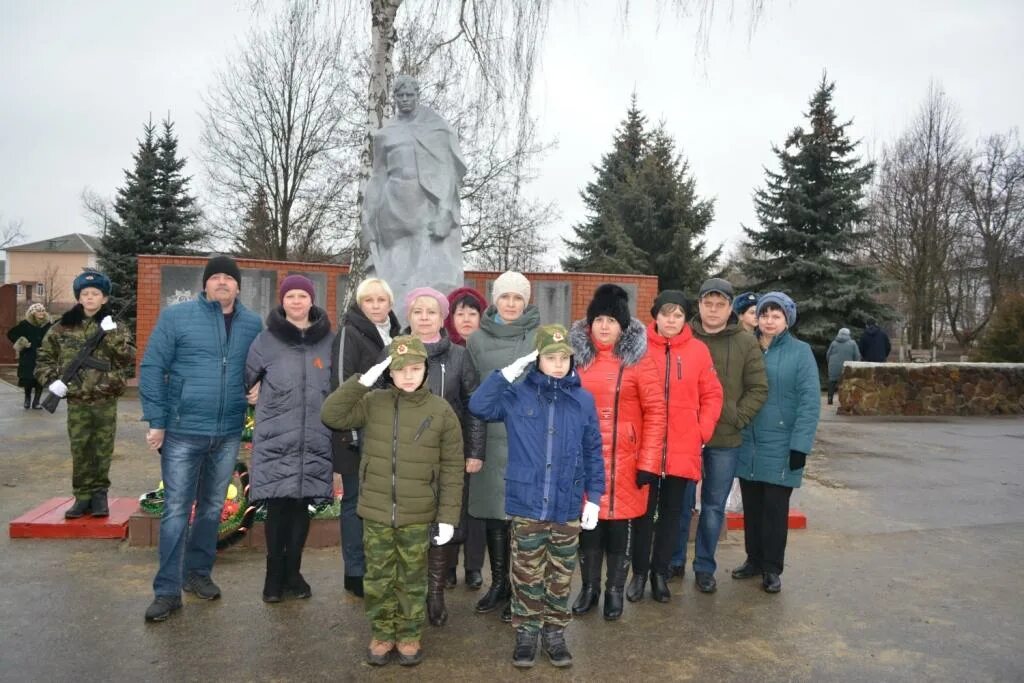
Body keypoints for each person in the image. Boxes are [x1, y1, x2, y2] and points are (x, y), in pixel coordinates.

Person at [321, 336, 464, 667]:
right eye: (400, 370)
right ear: (388, 372)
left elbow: (453, 469)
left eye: (416, 368)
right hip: (377, 510)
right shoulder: (373, 402)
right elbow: (332, 414)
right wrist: (363, 381)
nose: (409, 376)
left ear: (426, 371)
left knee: (412, 578)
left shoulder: (440, 410)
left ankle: (410, 633)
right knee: (379, 577)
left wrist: (447, 517)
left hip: (418, 512)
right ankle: (383, 633)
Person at [469, 325, 604, 668]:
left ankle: (554, 633)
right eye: (550, 357)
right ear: (536, 359)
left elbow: (593, 451)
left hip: (566, 503)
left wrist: (595, 497)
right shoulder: (517, 394)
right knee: (527, 574)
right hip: (528, 502)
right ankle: (527, 633)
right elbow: (479, 405)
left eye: (564, 358)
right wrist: (506, 374)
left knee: (560, 574)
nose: (558, 364)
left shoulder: (582, 399)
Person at [139, 255, 262, 623]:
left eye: (229, 278)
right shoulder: (177, 318)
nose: (222, 282)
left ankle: (198, 574)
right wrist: (157, 422)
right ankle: (166, 591)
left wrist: (258, 388)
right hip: (182, 431)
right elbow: (152, 367)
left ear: (238, 286)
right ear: (205, 284)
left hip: (226, 433)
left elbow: (261, 367)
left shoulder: (252, 324)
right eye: (216, 277)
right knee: (176, 510)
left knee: (211, 508)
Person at [569, 284, 666, 619]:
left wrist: (649, 462)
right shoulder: (575, 360)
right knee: (589, 527)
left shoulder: (639, 360)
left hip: (626, 458)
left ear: (623, 325)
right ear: (590, 323)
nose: (605, 326)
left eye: (612, 319)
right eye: (599, 319)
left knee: (620, 526)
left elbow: (656, 412)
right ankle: (590, 588)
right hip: (586, 458)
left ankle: (614, 591)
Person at [673, 278, 768, 594]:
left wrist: (738, 418)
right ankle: (674, 561)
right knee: (680, 502)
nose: (713, 310)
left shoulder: (745, 342)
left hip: (725, 439)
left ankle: (704, 567)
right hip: (684, 437)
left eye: (720, 304)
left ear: (730, 308)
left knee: (713, 506)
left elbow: (757, 387)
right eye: (707, 303)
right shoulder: (681, 336)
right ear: (699, 304)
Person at [245, 275, 334, 603]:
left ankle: (293, 573)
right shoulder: (265, 341)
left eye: (302, 295)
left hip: (315, 436)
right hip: (277, 436)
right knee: (279, 506)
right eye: (290, 296)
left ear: (312, 300)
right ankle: (273, 576)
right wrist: (251, 393)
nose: (296, 301)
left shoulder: (329, 341)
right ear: (282, 301)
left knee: (302, 506)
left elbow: (339, 385)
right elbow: (247, 378)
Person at [630, 290, 723, 602]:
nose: (671, 320)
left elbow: (712, 394)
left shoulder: (698, 351)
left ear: (685, 318)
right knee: (642, 514)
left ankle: (660, 573)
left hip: (683, 448)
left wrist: (702, 431)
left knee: (673, 514)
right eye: (665, 313)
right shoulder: (638, 349)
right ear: (655, 315)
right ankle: (639, 573)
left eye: (678, 314)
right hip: (645, 448)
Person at [402, 286, 485, 626]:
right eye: (418, 311)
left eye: (431, 312)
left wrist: (475, 450)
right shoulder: (396, 351)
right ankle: (411, 592)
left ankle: (435, 593)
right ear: (410, 316)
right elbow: (376, 400)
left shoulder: (459, 357)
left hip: (448, 454)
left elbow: (474, 406)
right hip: (406, 454)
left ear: (442, 317)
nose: (425, 317)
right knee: (410, 523)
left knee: (443, 521)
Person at [466, 271, 541, 622]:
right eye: (505, 297)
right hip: (491, 436)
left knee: (521, 519)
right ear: (495, 300)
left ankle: (520, 588)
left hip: (527, 438)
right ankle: (499, 584)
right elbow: (472, 392)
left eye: (517, 298)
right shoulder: (477, 340)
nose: (511, 304)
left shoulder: (539, 336)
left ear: (526, 302)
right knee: (496, 517)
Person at [735, 292, 821, 594]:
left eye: (776, 315)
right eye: (764, 314)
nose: (769, 321)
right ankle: (754, 559)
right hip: (748, 441)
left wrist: (800, 445)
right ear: (756, 317)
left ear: (787, 320)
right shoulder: (748, 346)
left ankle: (772, 567)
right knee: (753, 506)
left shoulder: (800, 352)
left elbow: (810, 402)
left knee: (774, 510)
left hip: (782, 444)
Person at [35, 270, 134, 518]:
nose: (90, 298)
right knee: (80, 449)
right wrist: (53, 382)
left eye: (95, 294)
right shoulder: (62, 327)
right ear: (79, 298)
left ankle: (99, 495)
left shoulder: (115, 327)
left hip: (105, 399)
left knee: (102, 448)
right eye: (85, 294)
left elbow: (127, 359)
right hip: (77, 401)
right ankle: (82, 496)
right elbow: (43, 359)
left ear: (104, 299)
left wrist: (111, 335)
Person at [361, 74, 467, 305]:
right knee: (393, 268)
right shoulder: (384, 134)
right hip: (392, 204)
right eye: (400, 95)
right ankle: (393, 315)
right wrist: (367, 219)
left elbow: (448, 173)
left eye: (410, 95)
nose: (406, 99)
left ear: (418, 96)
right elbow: (378, 175)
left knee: (426, 270)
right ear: (394, 98)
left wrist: (445, 212)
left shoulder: (436, 128)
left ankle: (421, 316)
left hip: (423, 203)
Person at [330, 277, 401, 599]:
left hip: (387, 436)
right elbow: (344, 384)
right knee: (355, 503)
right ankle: (355, 571)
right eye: (368, 300)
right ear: (360, 304)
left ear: (389, 303)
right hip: (355, 435)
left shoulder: (398, 334)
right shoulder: (349, 332)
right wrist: (354, 433)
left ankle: (380, 566)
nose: (375, 306)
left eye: (381, 300)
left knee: (380, 504)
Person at [443, 284, 488, 589]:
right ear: (450, 317)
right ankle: (446, 565)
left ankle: (473, 566)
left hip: (479, 437)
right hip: (445, 440)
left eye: (474, 313)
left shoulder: (486, 348)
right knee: (448, 505)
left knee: (475, 507)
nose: (467, 319)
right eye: (461, 313)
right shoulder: (440, 347)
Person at [7, 302, 52, 409]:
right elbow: (11, 334)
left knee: (40, 379)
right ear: (32, 313)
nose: (41, 313)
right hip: (28, 356)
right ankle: (27, 399)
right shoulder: (25, 324)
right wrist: (23, 343)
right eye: (38, 311)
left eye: (42, 310)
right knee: (28, 379)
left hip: (43, 356)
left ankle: (36, 402)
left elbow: (55, 336)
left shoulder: (48, 325)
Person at [826, 327, 861, 406]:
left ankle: (830, 398)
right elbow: (857, 356)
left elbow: (828, 354)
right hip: (847, 367)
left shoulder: (834, 343)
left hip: (833, 365)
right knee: (845, 382)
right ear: (848, 334)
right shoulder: (852, 343)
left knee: (832, 381)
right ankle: (845, 400)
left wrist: (830, 363)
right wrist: (855, 365)